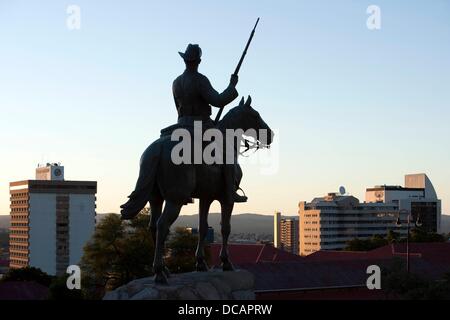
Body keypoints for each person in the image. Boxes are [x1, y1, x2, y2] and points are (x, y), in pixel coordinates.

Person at [172, 43, 247, 203]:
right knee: (227, 154)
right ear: (198, 61)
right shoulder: (200, 80)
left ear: (185, 60)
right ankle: (230, 192)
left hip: (180, 126)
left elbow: (178, 107)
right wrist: (232, 86)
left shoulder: (176, 82)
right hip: (200, 127)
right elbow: (218, 100)